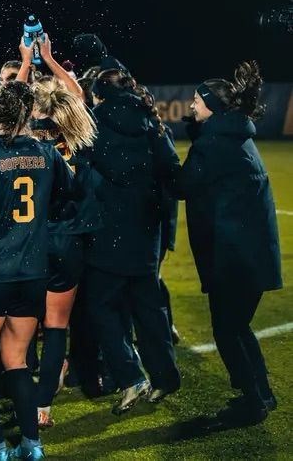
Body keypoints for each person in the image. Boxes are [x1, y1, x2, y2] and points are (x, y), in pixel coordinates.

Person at [0, 82, 78, 461]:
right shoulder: (47, 153)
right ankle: (32, 445)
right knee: (18, 361)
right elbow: (66, 194)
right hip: (32, 272)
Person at [178, 61, 282, 429]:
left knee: (227, 329)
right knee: (238, 326)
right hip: (251, 257)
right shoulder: (238, 137)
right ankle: (260, 394)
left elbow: (182, 186)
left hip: (234, 258)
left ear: (211, 105)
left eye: (196, 100)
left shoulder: (214, 144)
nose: (190, 106)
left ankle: (252, 401)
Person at [85, 67, 181, 415]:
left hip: (108, 228)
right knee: (149, 306)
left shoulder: (94, 124)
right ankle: (165, 377)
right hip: (146, 229)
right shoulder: (152, 123)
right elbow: (172, 172)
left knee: (99, 304)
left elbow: (82, 172)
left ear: (99, 95)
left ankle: (130, 376)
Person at [24, 33, 99, 428]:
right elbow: (78, 98)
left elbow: (11, 98)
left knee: (24, 320)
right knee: (56, 326)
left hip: (29, 239)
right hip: (67, 239)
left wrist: (28, 61)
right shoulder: (76, 133)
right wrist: (50, 59)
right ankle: (43, 404)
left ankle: (19, 389)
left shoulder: (26, 135)